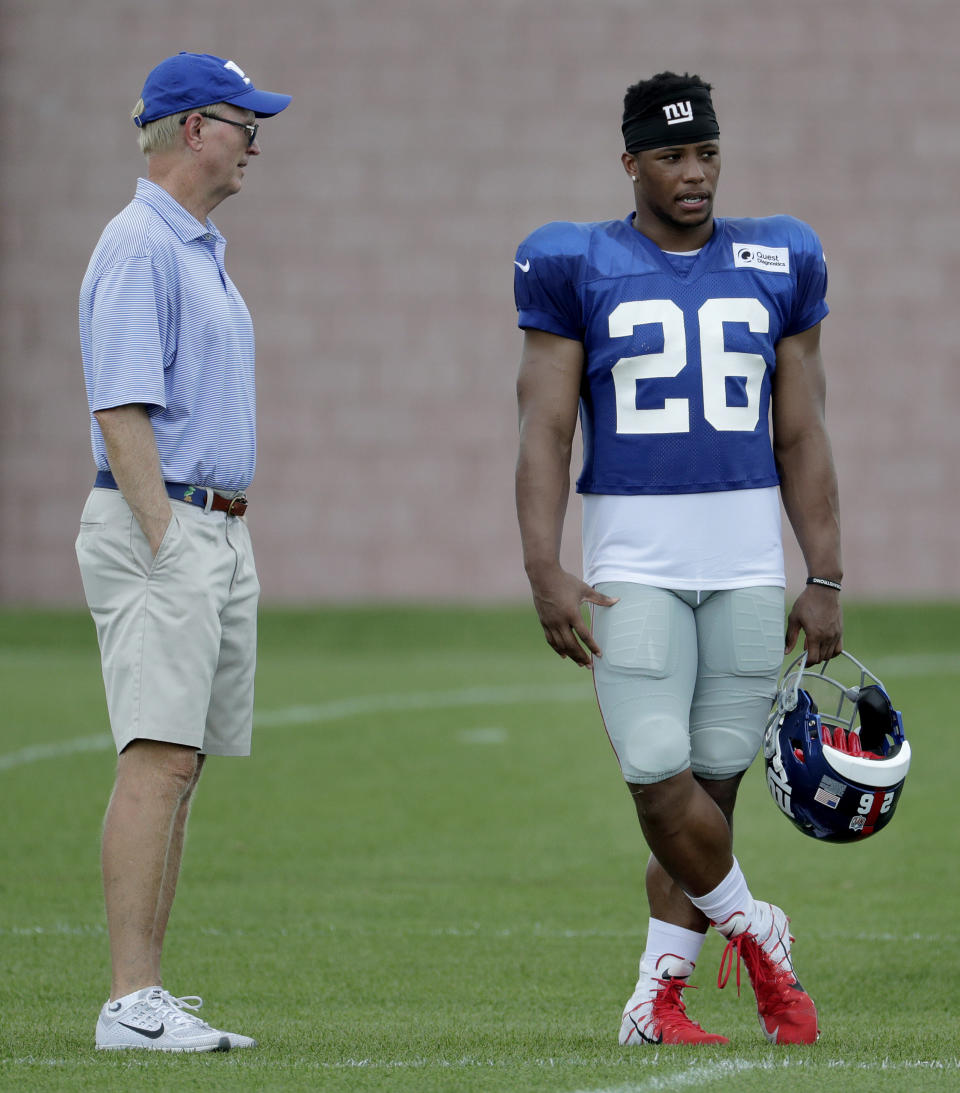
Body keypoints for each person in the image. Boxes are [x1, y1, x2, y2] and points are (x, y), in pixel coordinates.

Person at [513, 71, 842, 1046]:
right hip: (634, 561)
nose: (693, 173)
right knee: (656, 772)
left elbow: (804, 432)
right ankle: (757, 925)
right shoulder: (575, 262)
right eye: (670, 156)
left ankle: (658, 996)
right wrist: (544, 566)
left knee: (713, 786)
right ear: (630, 164)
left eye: (704, 153)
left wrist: (823, 572)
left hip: (746, 562)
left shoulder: (779, 254)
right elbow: (545, 429)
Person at [75, 52, 291, 1052]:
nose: (259, 141)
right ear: (196, 127)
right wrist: (166, 537)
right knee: (156, 756)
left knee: (182, 761)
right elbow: (119, 405)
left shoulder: (195, 245)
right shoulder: (138, 245)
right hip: (164, 522)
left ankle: (148, 992)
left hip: (210, 525)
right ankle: (129, 998)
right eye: (248, 122)